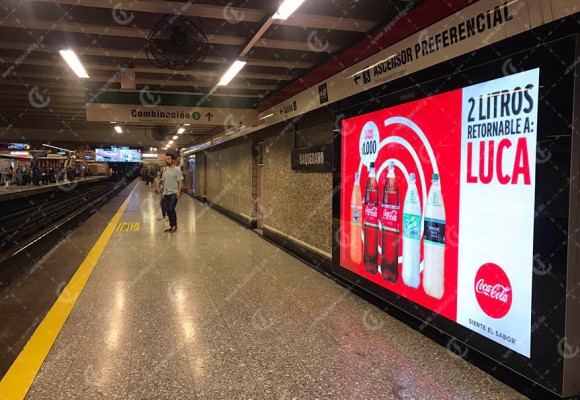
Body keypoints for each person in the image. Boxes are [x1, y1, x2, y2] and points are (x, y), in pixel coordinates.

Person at [160, 154, 183, 233]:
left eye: (169, 159)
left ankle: (174, 225)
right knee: (167, 210)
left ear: (173, 160)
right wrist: (161, 180)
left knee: (171, 208)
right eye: (166, 159)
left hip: (174, 192)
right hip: (166, 193)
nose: (167, 160)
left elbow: (180, 182)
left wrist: (179, 192)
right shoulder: (166, 170)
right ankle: (171, 226)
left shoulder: (177, 170)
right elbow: (164, 179)